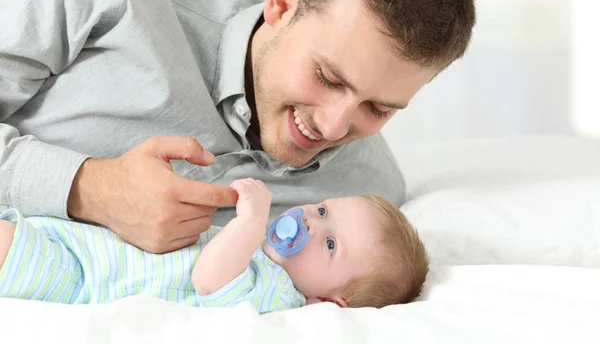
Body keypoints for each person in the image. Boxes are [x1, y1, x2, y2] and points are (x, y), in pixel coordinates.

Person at [0, 0, 475, 254]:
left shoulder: (369, 192)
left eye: (379, 108)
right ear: (284, 2)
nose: (333, 129)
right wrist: (90, 188)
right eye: (328, 78)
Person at [0, 178, 429, 313]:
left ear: (331, 302)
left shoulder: (276, 297)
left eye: (331, 244)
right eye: (322, 210)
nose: (310, 223)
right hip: (85, 241)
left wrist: (252, 218)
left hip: (81, 277)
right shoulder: (259, 253)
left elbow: (208, 279)